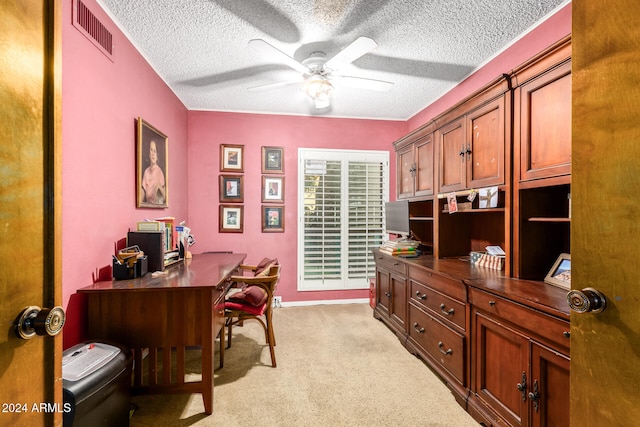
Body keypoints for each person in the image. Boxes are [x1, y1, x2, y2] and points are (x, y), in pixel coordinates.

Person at [142, 140, 166, 204]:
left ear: (157, 156)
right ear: (149, 154)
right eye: (151, 150)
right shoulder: (146, 172)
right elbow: (142, 192)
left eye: (154, 151)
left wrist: (158, 186)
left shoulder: (159, 172)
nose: (153, 154)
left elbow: (164, 197)